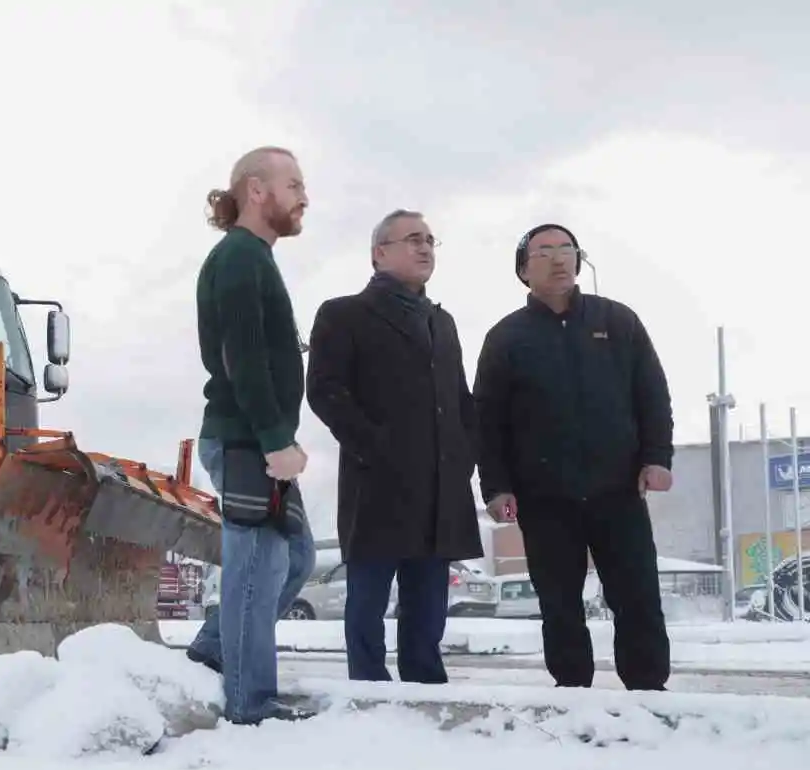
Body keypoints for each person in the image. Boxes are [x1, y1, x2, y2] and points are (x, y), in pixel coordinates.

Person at [472, 223, 674, 690]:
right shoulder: (506, 337)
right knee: (558, 601)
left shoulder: (618, 321)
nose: (558, 258)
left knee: (637, 595)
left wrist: (657, 456)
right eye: (544, 251)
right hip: (544, 497)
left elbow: (651, 395)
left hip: (619, 489)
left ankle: (649, 689)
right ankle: (572, 690)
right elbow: (487, 420)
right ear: (523, 269)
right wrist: (497, 486)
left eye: (567, 248)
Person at [305, 209, 483, 683]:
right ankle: (368, 693)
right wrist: (377, 448)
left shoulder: (441, 323)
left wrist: (465, 456)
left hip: (441, 486)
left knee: (428, 604)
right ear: (379, 254)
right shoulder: (343, 313)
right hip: (378, 484)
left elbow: (460, 400)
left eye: (429, 239)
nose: (425, 248)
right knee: (368, 599)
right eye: (411, 239)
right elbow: (325, 390)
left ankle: (426, 688)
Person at [181, 145, 315, 725]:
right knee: (259, 570)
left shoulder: (254, 258)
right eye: (294, 184)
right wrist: (273, 440)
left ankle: (216, 648)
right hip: (247, 440)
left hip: (258, 439)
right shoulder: (239, 256)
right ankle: (251, 704)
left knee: (296, 559)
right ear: (256, 190)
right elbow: (242, 357)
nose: (304, 196)